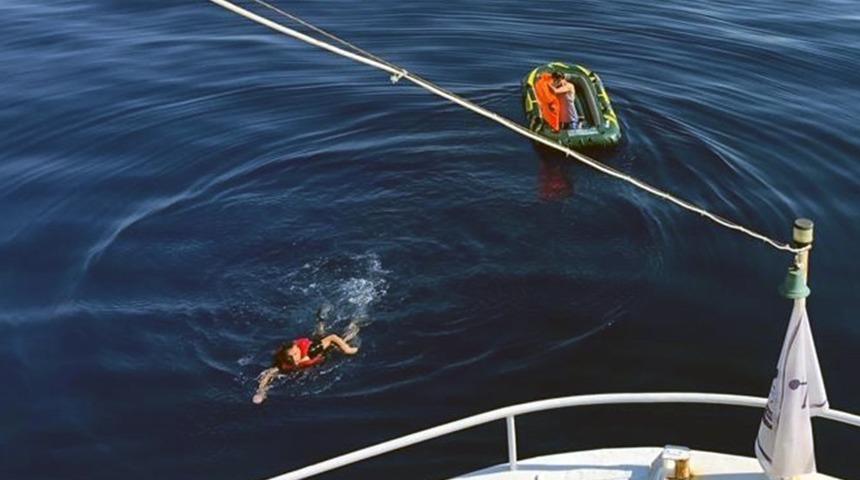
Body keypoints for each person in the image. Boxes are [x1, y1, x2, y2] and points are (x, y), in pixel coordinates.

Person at [252, 307, 360, 404]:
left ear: (297, 350)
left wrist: (347, 349)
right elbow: (268, 374)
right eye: (289, 358)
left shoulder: (311, 351)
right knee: (319, 335)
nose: (293, 359)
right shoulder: (283, 362)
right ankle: (321, 320)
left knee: (344, 338)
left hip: (316, 348)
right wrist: (261, 391)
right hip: (312, 344)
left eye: (295, 355)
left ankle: (355, 322)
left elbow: (332, 337)